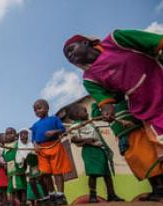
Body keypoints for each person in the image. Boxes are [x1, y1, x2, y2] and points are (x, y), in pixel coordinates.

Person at [63, 30, 163, 160]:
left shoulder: (115, 40)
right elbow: (106, 103)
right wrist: (107, 112)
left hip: (158, 78)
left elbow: (156, 42)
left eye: (71, 49)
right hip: (146, 107)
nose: (70, 55)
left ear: (85, 42)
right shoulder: (89, 79)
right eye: (68, 56)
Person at [92, 101, 163, 201]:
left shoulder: (127, 102)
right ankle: (156, 190)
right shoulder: (106, 110)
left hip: (138, 134)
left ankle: (160, 190)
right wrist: (97, 102)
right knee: (142, 165)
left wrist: (135, 123)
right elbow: (95, 114)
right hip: (124, 139)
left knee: (150, 162)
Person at [68, 104, 124, 203]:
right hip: (89, 151)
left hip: (100, 150)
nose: (87, 113)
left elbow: (97, 109)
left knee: (107, 174)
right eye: (84, 111)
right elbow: (74, 138)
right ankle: (92, 196)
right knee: (93, 173)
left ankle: (111, 194)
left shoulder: (91, 123)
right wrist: (86, 140)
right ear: (77, 114)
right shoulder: (75, 126)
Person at [31, 99, 72, 206]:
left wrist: (54, 131)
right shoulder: (35, 125)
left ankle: (60, 195)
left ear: (47, 108)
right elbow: (33, 139)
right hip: (41, 150)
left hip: (54, 146)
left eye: (39, 108)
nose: (37, 111)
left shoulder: (54, 119)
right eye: (35, 110)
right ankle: (52, 195)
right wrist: (35, 145)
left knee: (58, 172)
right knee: (45, 174)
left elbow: (62, 129)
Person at [16, 129, 45, 206]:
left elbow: (37, 153)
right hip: (27, 167)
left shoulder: (32, 144)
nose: (23, 136)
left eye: (25, 134)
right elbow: (18, 159)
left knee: (40, 181)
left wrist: (32, 155)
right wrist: (23, 159)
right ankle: (37, 199)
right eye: (21, 134)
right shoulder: (19, 147)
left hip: (36, 165)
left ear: (28, 135)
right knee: (31, 183)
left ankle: (45, 198)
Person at [3, 127, 26, 206]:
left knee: (21, 185)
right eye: (7, 134)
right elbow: (4, 157)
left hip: (18, 167)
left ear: (15, 135)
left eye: (10, 133)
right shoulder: (5, 146)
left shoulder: (18, 144)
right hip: (10, 169)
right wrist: (5, 164)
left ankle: (23, 203)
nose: (8, 135)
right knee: (12, 188)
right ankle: (14, 204)